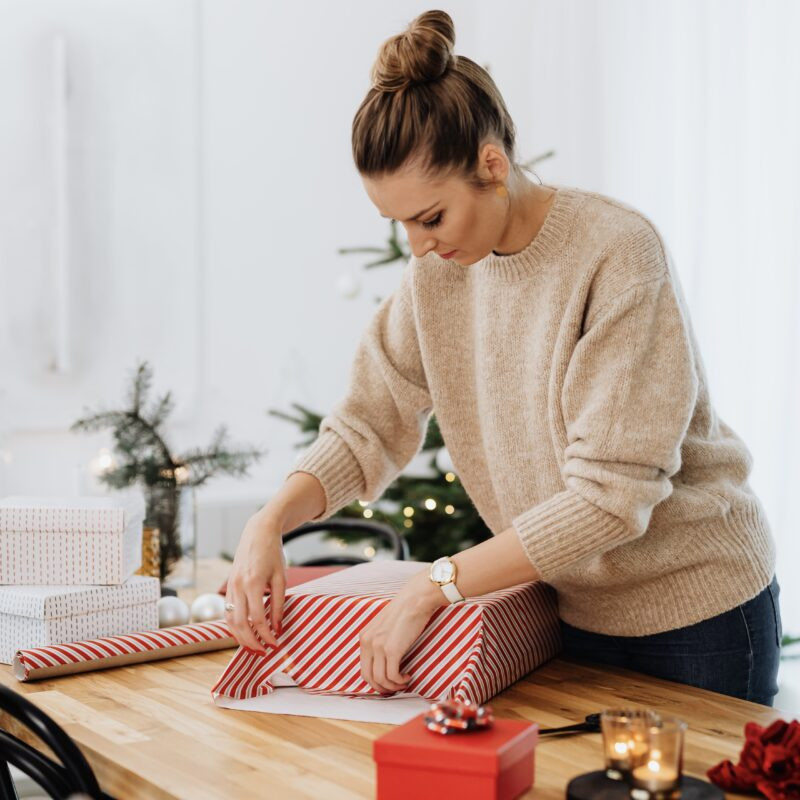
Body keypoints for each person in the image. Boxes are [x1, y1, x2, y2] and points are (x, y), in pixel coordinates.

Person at [224, 10, 781, 706]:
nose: (417, 246)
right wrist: (269, 521)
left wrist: (437, 583)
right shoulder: (438, 276)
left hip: (696, 616)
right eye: (398, 224)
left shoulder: (616, 251)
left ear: (492, 164)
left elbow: (612, 497)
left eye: (430, 218)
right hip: (565, 610)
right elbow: (368, 422)